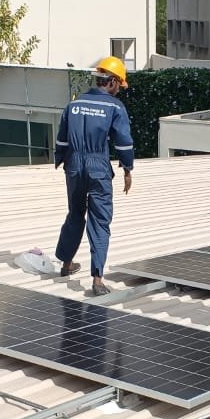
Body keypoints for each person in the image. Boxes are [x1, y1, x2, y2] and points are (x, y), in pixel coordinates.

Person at [54, 55, 136, 296]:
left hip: (74, 164)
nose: (119, 90)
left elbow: (62, 138)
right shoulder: (114, 107)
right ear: (111, 82)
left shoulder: (73, 104)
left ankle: (66, 264)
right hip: (97, 165)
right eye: (119, 85)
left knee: (75, 213)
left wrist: (60, 158)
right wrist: (127, 169)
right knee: (100, 220)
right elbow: (123, 143)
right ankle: (97, 280)